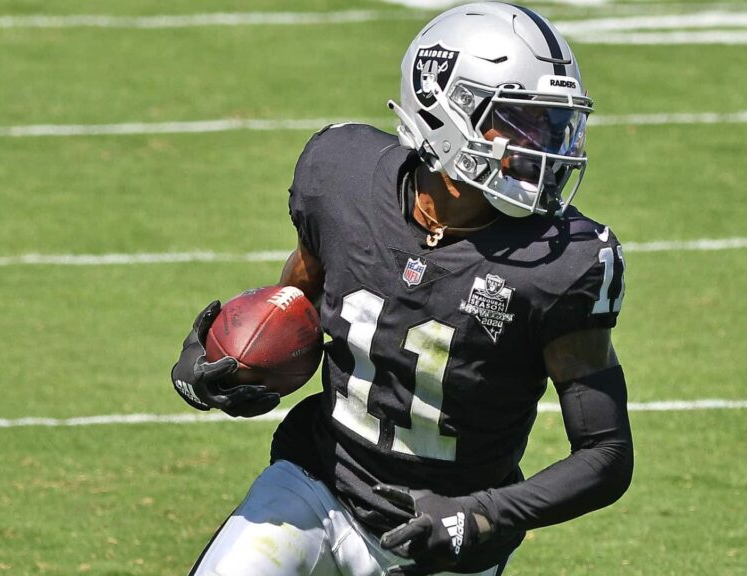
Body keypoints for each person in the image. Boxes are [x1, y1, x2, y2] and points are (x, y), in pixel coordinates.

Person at [170, 3, 632, 575]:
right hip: (319, 485)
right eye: (521, 122)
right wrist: (230, 367)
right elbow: (296, 306)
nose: (546, 146)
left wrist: (481, 515)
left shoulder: (561, 261)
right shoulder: (343, 178)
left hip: (446, 541)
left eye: (555, 123)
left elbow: (606, 454)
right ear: (442, 109)